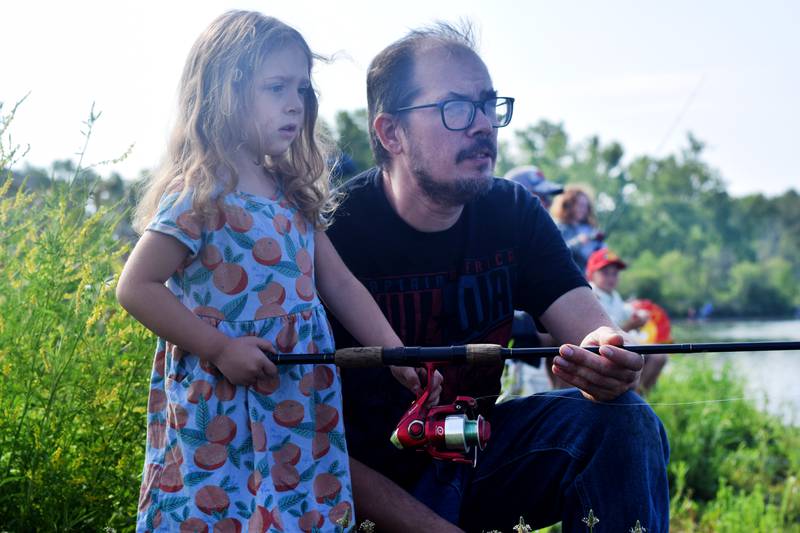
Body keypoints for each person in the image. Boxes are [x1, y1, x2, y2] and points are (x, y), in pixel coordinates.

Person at [326, 23, 670, 533]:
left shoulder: (513, 211)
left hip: (474, 456)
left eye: (489, 105)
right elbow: (302, 438)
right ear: (390, 133)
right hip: (360, 493)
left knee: (626, 420)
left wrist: (610, 357)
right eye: (456, 108)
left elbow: (591, 327)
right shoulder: (331, 232)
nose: (483, 124)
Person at [116, 11, 438, 532]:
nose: (295, 103)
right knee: (222, 511)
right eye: (276, 87)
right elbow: (136, 287)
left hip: (296, 395)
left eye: (302, 89)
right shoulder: (201, 192)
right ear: (225, 91)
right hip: (223, 396)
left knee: (298, 508)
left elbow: (338, 283)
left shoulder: (290, 191)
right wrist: (219, 348)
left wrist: (393, 351)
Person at [586, 249, 668, 392]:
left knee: (659, 357)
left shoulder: (613, 295)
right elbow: (605, 331)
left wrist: (640, 315)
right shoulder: (590, 294)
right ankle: (633, 397)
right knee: (656, 357)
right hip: (601, 350)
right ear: (591, 274)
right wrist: (631, 325)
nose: (611, 278)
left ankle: (638, 396)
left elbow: (627, 311)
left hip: (617, 347)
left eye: (615, 273)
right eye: (605, 273)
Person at [550, 184, 606, 271]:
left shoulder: (589, 228)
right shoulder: (557, 227)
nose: (583, 209)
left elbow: (601, 254)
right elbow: (556, 253)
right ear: (568, 205)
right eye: (580, 205)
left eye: (585, 206)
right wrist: (578, 242)